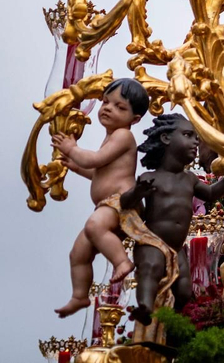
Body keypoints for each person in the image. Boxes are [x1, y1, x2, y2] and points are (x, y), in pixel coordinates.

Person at [123, 114, 224, 323]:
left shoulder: (190, 179)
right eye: (188, 135)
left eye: (197, 137)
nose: (196, 142)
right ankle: (145, 308)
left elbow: (211, 193)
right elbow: (126, 202)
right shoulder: (150, 178)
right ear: (166, 138)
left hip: (177, 248)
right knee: (151, 269)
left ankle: (171, 323)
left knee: (184, 288)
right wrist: (137, 192)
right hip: (152, 243)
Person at [53, 78, 151, 316]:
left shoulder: (123, 136)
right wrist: (76, 167)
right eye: (106, 102)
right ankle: (79, 296)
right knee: (78, 253)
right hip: (106, 206)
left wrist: (72, 149)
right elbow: (99, 172)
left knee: (94, 226)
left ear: (135, 119)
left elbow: (95, 160)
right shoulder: (110, 137)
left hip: (121, 202)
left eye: (120, 106)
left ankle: (122, 261)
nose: (108, 108)